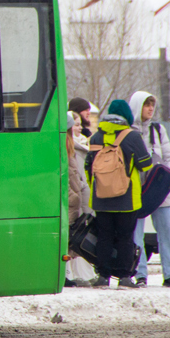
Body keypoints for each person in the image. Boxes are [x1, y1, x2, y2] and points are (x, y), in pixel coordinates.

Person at [85, 99, 152, 289]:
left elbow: (89, 167)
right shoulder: (132, 136)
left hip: (101, 198)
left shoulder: (96, 137)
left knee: (104, 236)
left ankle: (103, 276)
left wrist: (97, 187)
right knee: (125, 237)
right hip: (126, 198)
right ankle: (124, 277)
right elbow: (146, 164)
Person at [128, 91, 170, 288]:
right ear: (137, 106)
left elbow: (168, 158)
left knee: (167, 230)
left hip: (159, 190)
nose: (151, 109)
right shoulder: (129, 131)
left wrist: (166, 182)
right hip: (137, 190)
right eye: (146, 105)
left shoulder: (158, 129)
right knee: (136, 233)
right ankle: (139, 273)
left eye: (152, 105)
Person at [64, 111, 97, 287]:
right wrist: (73, 198)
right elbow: (65, 176)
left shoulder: (70, 149)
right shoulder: (64, 148)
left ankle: (65, 275)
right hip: (70, 201)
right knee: (65, 239)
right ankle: (64, 275)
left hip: (73, 201)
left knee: (68, 239)